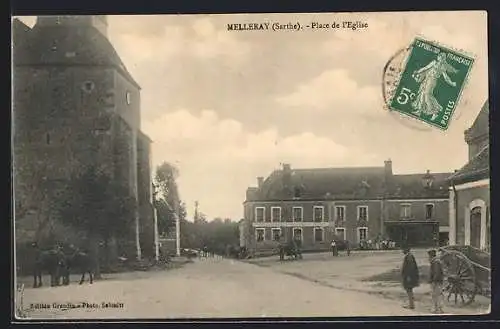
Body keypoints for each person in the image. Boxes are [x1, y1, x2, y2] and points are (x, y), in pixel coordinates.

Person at [428, 249, 444, 314]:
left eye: (429, 256)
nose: (428, 257)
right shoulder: (436, 261)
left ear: (431, 255)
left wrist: (434, 281)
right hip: (438, 281)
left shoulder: (435, 262)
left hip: (436, 281)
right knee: (437, 295)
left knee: (436, 295)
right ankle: (438, 309)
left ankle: (437, 309)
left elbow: (436, 273)